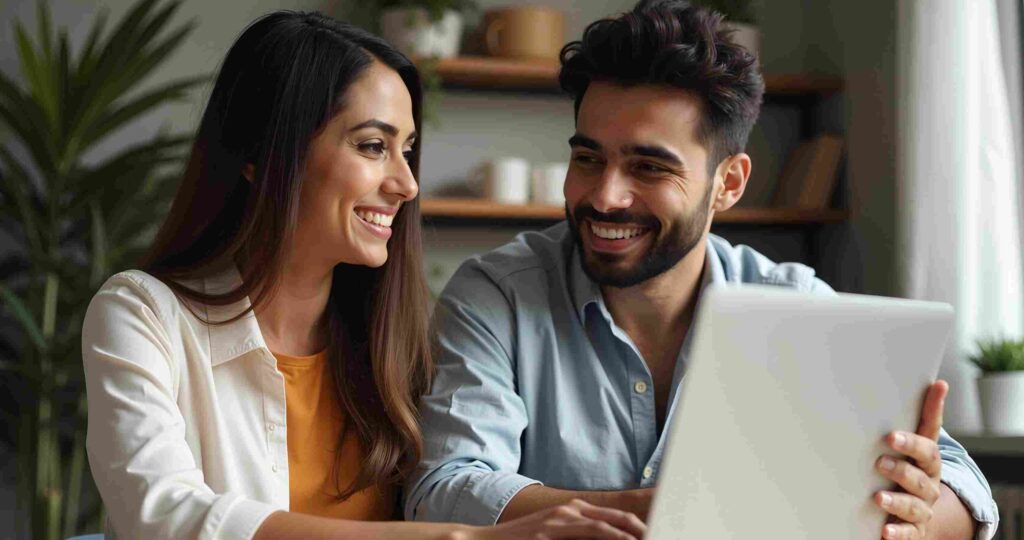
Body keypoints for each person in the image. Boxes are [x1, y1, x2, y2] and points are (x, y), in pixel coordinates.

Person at [405, 2, 999, 539]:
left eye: (649, 168)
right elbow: (444, 490)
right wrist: (677, 512)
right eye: (588, 158)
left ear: (729, 184)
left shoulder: (796, 303)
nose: (605, 196)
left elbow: (963, 490)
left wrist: (921, 517)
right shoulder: (496, 295)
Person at [82, 11, 647, 540]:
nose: (407, 184)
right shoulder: (141, 314)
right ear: (261, 152)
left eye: (408, 150)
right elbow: (164, 514)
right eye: (373, 146)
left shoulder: (395, 344)